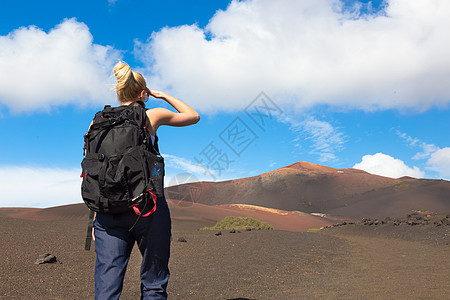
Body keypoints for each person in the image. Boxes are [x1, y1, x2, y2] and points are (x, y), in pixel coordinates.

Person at [92, 61, 200, 299]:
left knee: (106, 288)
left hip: (108, 211)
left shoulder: (97, 123)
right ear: (143, 93)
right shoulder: (151, 116)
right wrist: (162, 95)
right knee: (153, 284)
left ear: (119, 93)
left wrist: (96, 216)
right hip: (147, 208)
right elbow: (193, 116)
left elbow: (95, 170)